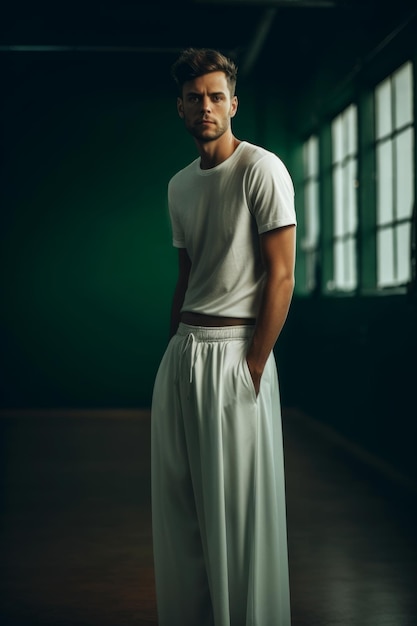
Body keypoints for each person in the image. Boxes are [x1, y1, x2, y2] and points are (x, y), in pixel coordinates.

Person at [151, 47, 296, 626]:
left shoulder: (262, 169)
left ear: (233, 104)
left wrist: (256, 361)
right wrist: (171, 352)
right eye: (194, 98)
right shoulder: (179, 187)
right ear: (180, 108)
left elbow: (281, 273)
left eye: (216, 96)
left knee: (237, 512)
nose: (205, 107)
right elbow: (187, 275)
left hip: (238, 352)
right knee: (182, 509)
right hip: (185, 352)